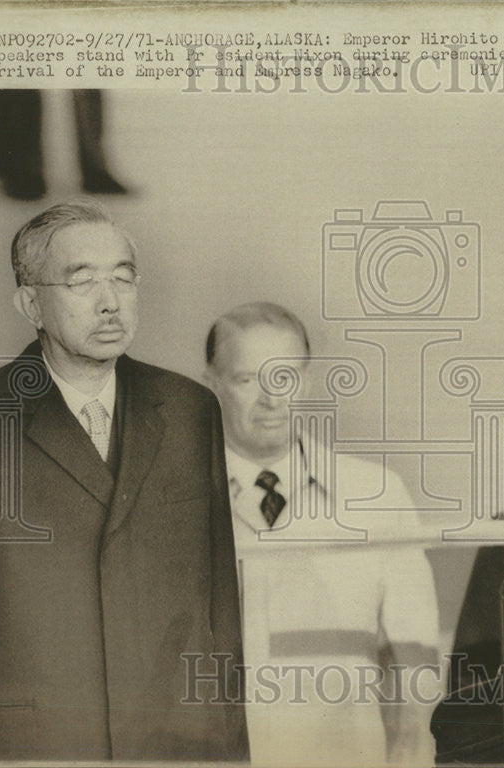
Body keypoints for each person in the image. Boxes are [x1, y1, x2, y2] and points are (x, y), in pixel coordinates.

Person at [0, 201, 247, 760]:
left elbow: (220, 618)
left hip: (176, 746)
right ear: (30, 304)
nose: (110, 301)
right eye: (82, 281)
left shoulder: (190, 410)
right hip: (35, 747)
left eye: (123, 277)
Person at [204, 302, 443, 766]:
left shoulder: (375, 493)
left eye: (286, 377)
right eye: (247, 379)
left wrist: (409, 753)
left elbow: (414, 655)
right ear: (212, 385)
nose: (272, 399)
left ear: (307, 381)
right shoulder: (176, 503)